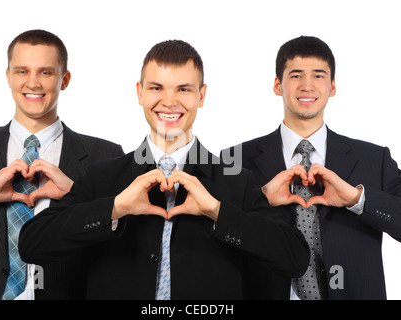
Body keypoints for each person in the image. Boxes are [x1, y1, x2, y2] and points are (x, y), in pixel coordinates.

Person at [18, 39, 310, 300]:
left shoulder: (236, 180)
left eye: (183, 89)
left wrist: (217, 212)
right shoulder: (101, 177)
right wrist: (115, 207)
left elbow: (295, 258)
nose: (169, 101)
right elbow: (33, 244)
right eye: (157, 88)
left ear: (201, 95)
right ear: (140, 93)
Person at [222, 35, 401, 300]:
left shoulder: (373, 158)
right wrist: (260, 201)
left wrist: (358, 200)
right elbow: (211, 243)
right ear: (278, 85)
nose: (307, 86)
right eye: (296, 75)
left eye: (319, 76)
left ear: (332, 86)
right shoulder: (235, 159)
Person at [0, 29, 124, 300]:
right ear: (8, 77)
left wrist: (77, 199)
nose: (33, 83)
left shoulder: (106, 154)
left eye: (46, 72)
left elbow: (127, 244)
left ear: (65, 79)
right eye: (22, 71)